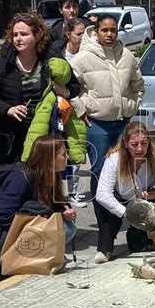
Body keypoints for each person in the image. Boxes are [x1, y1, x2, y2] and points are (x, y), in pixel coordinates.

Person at [69, 14, 145, 220]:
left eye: (113, 30)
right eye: (105, 30)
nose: (109, 34)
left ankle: (124, 213)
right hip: (97, 124)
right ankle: (104, 218)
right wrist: (81, 109)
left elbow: (138, 86)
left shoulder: (127, 56)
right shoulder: (83, 58)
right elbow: (68, 87)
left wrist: (131, 107)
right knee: (100, 169)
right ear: (96, 31)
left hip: (122, 123)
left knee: (126, 168)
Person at [0, 13, 80, 166]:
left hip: (42, 137)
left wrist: (65, 92)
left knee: (43, 183)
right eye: (15, 34)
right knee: (12, 184)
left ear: (37, 35)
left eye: (24, 34)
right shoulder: (1, 62)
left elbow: (74, 86)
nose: (18, 38)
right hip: (9, 138)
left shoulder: (51, 59)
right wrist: (7, 109)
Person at [0, 134, 76, 287]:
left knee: (67, 227)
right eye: (63, 154)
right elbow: (2, 213)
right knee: (61, 229)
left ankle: (36, 257)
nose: (67, 157)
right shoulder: (20, 178)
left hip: (25, 223)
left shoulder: (51, 176)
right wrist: (36, 222)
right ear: (49, 157)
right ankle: (25, 259)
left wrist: (62, 213)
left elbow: (49, 205)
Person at [93, 122, 155, 263]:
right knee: (105, 205)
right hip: (121, 200)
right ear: (126, 143)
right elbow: (102, 193)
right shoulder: (114, 159)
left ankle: (153, 240)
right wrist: (126, 214)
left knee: (137, 248)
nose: (140, 149)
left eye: (144, 143)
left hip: (145, 200)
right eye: (134, 144)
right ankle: (104, 248)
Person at [58, 18, 88, 208]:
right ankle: (56, 193)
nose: (82, 37)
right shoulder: (58, 55)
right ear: (68, 34)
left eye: (84, 33)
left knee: (76, 152)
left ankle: (73, 193)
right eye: (79, 34)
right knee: (58, 153)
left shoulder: (87, 54)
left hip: (80, 109)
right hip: (59, 109)